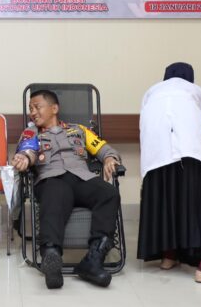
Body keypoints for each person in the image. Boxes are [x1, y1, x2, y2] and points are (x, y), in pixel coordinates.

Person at [12, 89, 121, 289]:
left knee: (109, 193)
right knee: (55, 192)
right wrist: (25, 158)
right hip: (52, 179)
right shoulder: (32, 133)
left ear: (54, 108)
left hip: (82, 178)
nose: (32, 112)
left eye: (37, 107)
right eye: (30, 108)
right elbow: (28, 151)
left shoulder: (79, 130)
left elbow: (102, 147)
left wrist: (109, 158)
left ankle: (93, 260)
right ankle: (51, 255)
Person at [137, 62, 201, 283]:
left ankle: (169, 255)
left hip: (155, 153)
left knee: (165, 200)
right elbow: (199, 120)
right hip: (189, 150)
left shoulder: (152, 91)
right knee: (199, 203)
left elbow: (145, 122)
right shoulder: (195, 91)